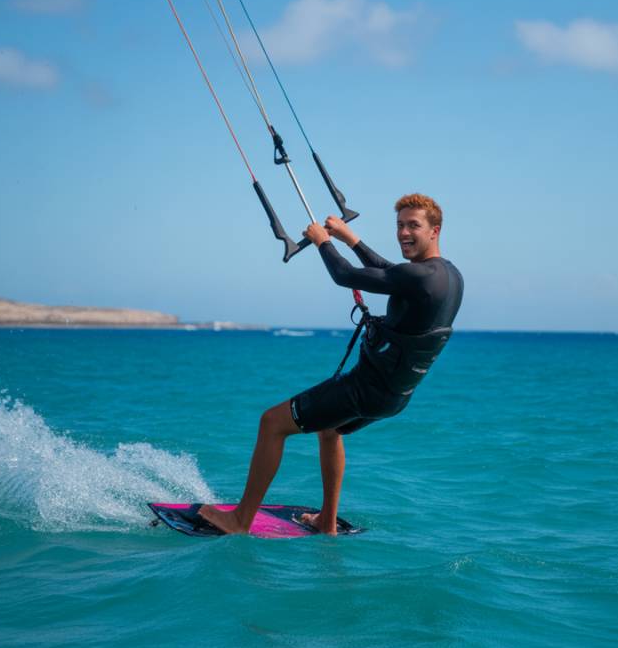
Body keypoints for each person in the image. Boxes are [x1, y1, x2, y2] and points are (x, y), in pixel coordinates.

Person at [198, 193, 464, 535]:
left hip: (364, 390)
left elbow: (346, 276)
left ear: (434, 230)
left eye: (413, 225)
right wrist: (350, 238)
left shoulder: (419, 277)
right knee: (330, 429)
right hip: (394, 397)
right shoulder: (446, 275)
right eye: (399, 225)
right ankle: (327, 522)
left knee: (271, 423)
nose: (403, 233)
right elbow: (392, 274)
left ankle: (239, 520)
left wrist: (323, 242)